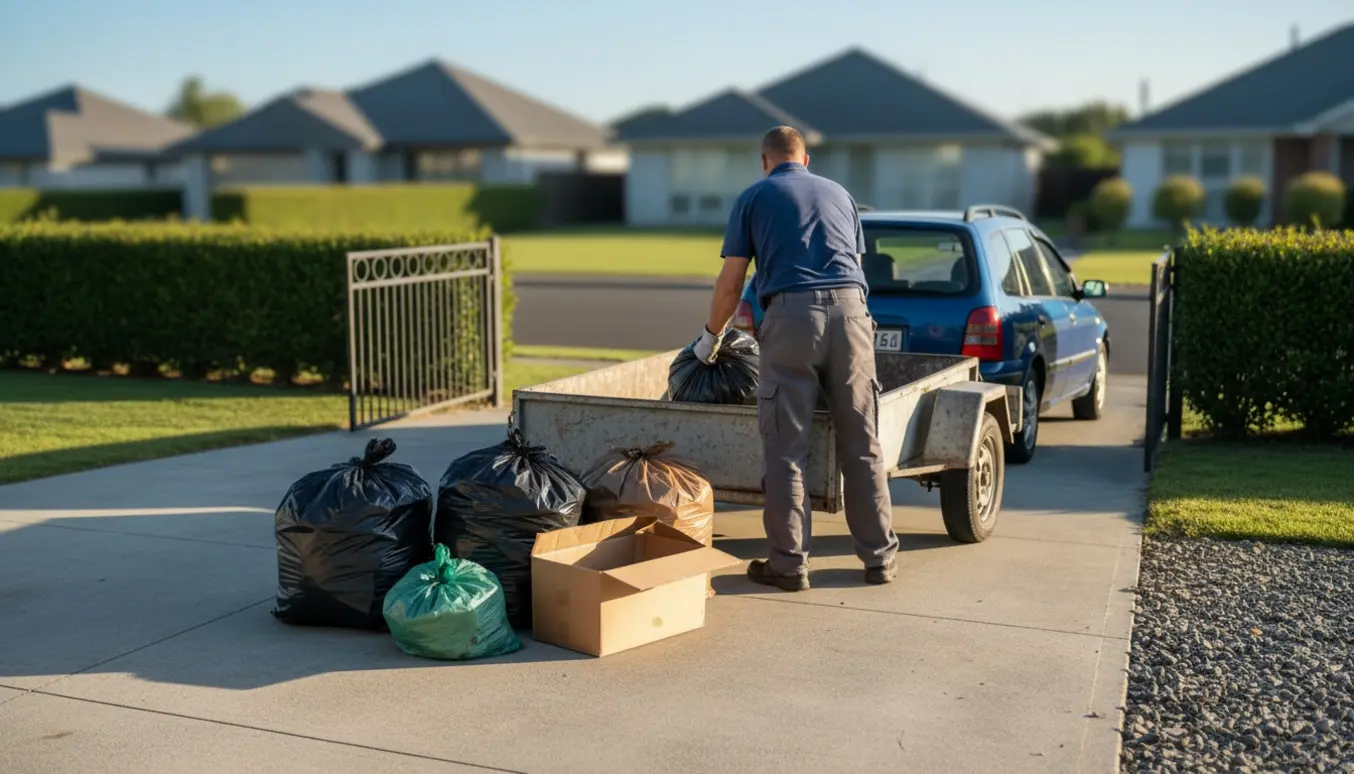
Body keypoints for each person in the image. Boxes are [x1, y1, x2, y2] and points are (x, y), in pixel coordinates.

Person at [692, 126, 899, 592]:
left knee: (787, 449)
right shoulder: (840, 194)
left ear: (764, 161)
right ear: (805, 160)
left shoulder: (754, 198)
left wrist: (711, 336)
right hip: (852, 316)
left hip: (791, 319)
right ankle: (880, 559)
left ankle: (789, 566)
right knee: (862, 443)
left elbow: (731, 282)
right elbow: (856, 268)